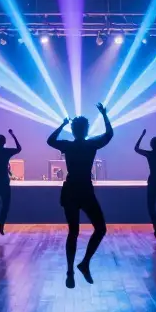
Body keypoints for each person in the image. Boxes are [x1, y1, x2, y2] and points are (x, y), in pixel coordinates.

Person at [48, 103, 113, 288]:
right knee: (100, 228)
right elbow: (109, 135)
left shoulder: (68, 146)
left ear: (73, 130)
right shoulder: (91, 144)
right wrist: (104, 115)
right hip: (84, 189)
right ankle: (84, 263)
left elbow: (50, 141)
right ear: (86, 130)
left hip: (70, 190)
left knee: (73, 232)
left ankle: (70, 270)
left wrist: (62, 125)